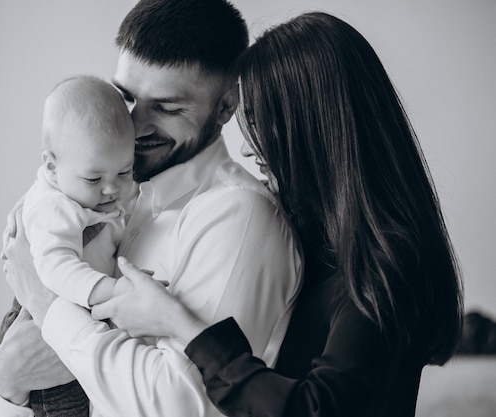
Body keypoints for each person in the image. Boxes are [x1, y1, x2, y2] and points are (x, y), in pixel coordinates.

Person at [89, 11, 465, 417]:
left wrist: (180, 323)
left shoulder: (387, 261)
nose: (249, 149)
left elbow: (314, 410)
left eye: (261, 121)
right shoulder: (310, 232)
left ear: (317, 127)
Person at [0, 1, 303, 416]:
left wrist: (45, 304)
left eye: (166, 108)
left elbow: (189, 405)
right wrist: (5, 380)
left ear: (225, 107)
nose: (135, 126)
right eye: (126, 97)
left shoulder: (239, 217)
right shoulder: (101, 191)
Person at [0, 75, 136, 415]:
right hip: (37, 327)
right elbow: (55, 269)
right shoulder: (54, 208)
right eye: (95, 179)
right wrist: (112, 291)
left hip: (67, 325)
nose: (112, 189)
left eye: (125, 172)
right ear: (51, 167)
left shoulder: (89, 189)